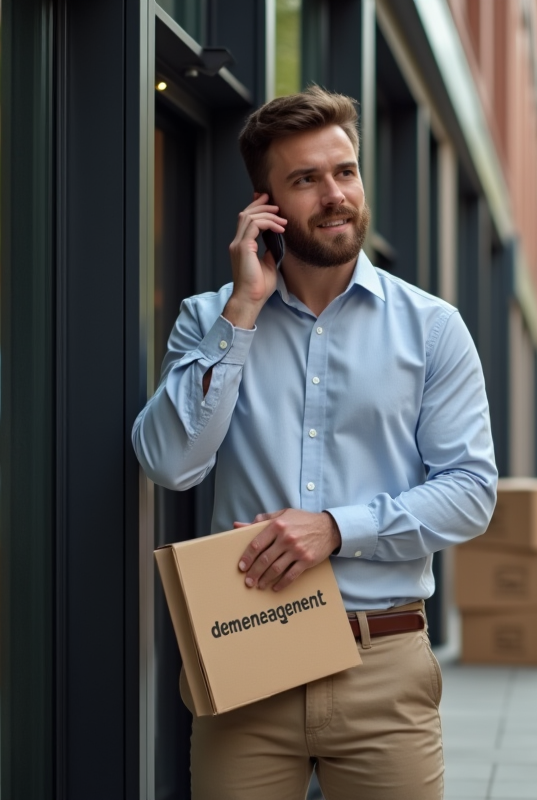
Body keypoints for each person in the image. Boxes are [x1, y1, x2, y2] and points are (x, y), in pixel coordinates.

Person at [132, 86, 497, 800]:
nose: (335, 196)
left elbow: (471, 493)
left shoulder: (432, 328)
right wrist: (242, 311)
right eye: (306, 180)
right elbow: (170, 463)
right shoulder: (211, 319)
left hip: (382, 664)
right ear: (264, 204)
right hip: (245, 651)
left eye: (346, 172)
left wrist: (336, 529)